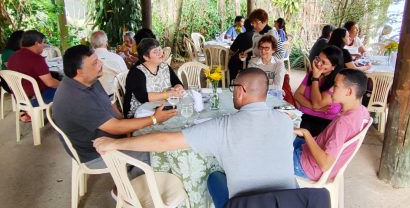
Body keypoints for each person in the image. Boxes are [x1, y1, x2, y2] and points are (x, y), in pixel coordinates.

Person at [94, 68, 298, 208]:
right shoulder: (285, 121)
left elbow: (164, 141)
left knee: (213, 176)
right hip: (290, 202)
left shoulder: (223, 127)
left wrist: (115, 143)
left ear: (240, 90)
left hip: (245, 204)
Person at [52, 45, 177, 172]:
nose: (101, 63)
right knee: (157, 151)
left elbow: (109, 103)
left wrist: (125, 123)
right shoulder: (76, 98)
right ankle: (126, 188)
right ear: (79, 71)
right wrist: (154, 118)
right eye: (95, 62)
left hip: (110, 137)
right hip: (96, 153)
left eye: (98, 59)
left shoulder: (89, 80)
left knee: (155, 134)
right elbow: (115, 128)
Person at [293, 69, 370, 181]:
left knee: (268, 152)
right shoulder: (363, 112)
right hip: (313, 150)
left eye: (335, 86)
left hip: (308, 166)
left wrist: (306, 133)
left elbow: (325, 164)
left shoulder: (343, 122)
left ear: (349, 92)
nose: (331, 89)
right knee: (284, 138)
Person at [124, 38, 185, 118]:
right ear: (146, 57)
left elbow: (177, 82)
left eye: (160, 49)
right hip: (138, 113)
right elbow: (142, 97)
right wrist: (169, 94)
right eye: (155, 52)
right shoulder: (136, 72)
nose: (160, 53)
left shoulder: (164, 66)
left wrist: (178, 88)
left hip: (160, 107)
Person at [294, 46, 343, 137]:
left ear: (333, 67)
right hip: (303, 116)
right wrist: (315, 108)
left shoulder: (336, 82)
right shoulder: (311, 74)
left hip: (323, 122)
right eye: (318, 59)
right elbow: (297, 95)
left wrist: (315, 78)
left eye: (324, 62)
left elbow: (317, 103)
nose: (318, 63)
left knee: (296, 137)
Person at [8, 30, 60, 105]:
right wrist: (64, 85)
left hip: (20, 98)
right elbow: (50, 83)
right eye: (43, 42)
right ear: (36, 44)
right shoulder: (36, 58)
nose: (44, 45)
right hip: (36, 98)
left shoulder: (13, 56)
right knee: (68, 91)